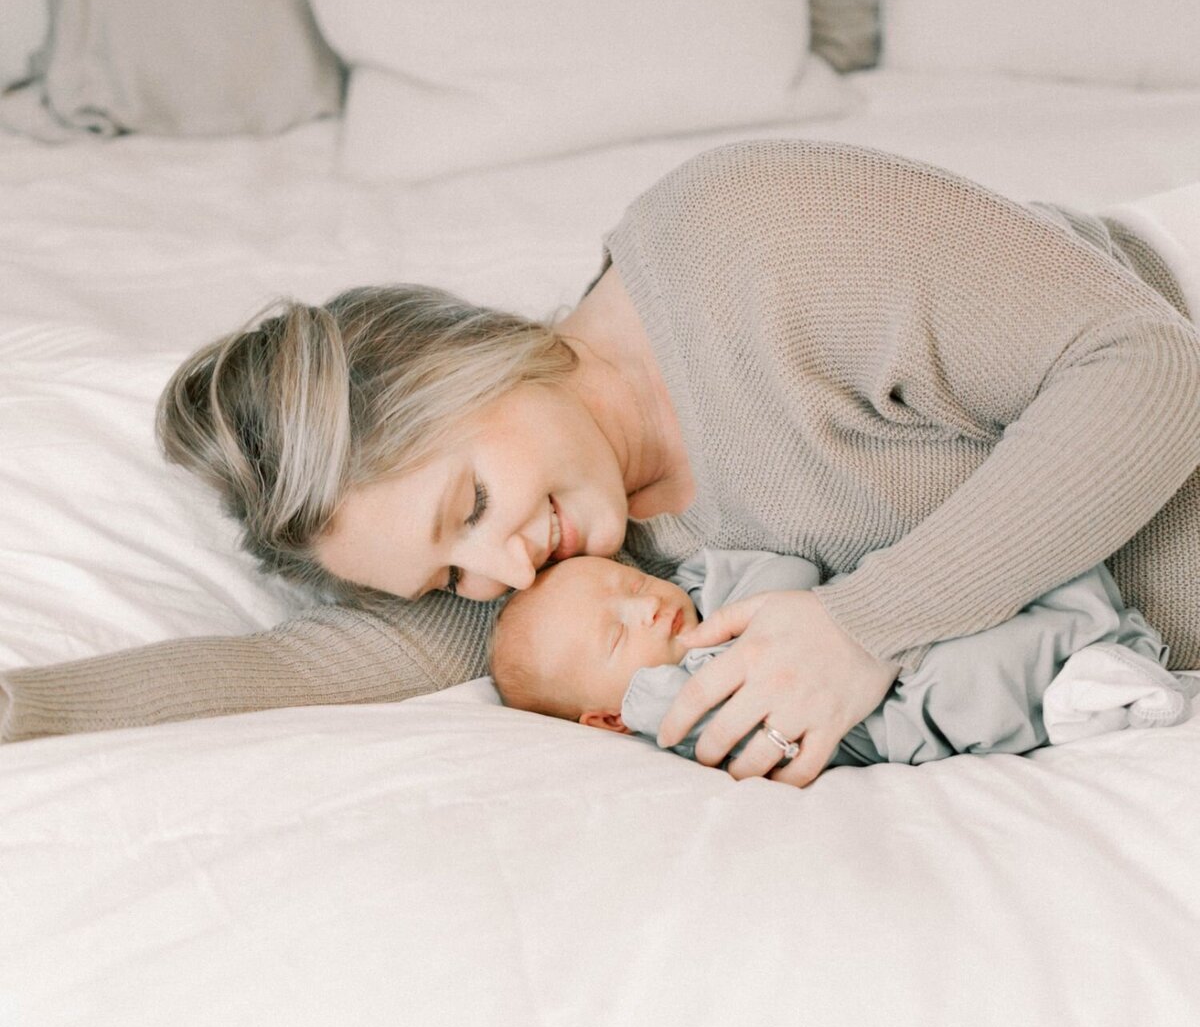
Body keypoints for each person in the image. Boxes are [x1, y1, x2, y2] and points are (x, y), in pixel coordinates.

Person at [4, 140, 1200, 787]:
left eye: (468, 505)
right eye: (448, 577)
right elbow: (314, 661)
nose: (501, 566)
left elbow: (1149, 368)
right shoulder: (590, 574)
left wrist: (863, 623)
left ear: (474, 360)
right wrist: (31, 706)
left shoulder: (750, 241)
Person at [489, 551, 1197, 769]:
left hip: (878, 634)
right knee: (970, 683)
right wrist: (653, 698)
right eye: (619, 633)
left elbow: (791, 570)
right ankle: (1099, 686)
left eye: (631, 585)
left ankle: (1104, 647)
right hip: (883, 717)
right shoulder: (656, 713)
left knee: (1027, 584)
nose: (645, 606)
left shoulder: (714, 585)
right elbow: (690, 727)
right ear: (606, 718)